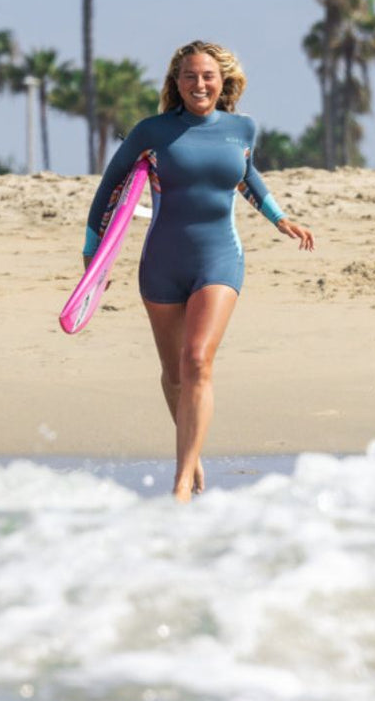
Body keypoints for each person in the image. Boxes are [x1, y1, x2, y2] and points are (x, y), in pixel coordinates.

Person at [82, 40, 315, 501]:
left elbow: (245, 174)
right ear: (176, 83)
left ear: (222, 80)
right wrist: (95, 257)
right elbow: (110, 189)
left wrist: (277, 216)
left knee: (196, 362)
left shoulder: (241, 128)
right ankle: (194, 452)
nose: (199, 84)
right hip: (162, 262)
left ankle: (182, 481)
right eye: (189, 76)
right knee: (173, 374)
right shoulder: (152, 132)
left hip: (218, 256)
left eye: (207, 75)